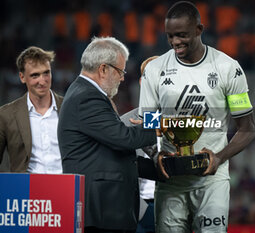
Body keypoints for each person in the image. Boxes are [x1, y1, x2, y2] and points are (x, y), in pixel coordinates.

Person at [138, 2, 255, 232]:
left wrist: (219, 157)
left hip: (211, 181)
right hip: (170, 181)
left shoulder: (228, 68)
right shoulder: (155, 70)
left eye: (182, 35)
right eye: (170, 36)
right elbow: (147, 124)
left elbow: (247, 127)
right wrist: (155, 155)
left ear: (199, 30)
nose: (175, 42)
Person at [57, 37, 157, 233]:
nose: (122, 78)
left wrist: (158, 170)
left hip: (106, 211)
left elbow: (110, 152)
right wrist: (161, 126)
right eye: (120, 71)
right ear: (103, 69)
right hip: (101, 211)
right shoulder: (87, 97)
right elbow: (124, 138)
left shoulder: (84, 93)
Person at [0, 46, 63, 173]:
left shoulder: (69, 107)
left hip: (66, 187)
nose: (42, 80)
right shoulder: (6, 115)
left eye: (46, 73)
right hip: (24, 190)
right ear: (22, 77)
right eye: (35, 75)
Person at [121, 56, 159, 233]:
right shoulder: (124, 123)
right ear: (141, 81)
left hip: (173, 205)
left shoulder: (183, 125)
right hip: (136, 209)